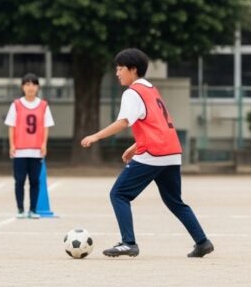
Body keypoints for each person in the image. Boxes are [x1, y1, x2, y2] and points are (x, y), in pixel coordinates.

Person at [80, 48, 214, 259]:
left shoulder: (132, 92)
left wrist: (96, 137)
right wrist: (135, 145)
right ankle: (203, 242)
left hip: (154, 153)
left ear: (133, 70)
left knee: (119, 194)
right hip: (171, 152)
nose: (117, 73)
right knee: (174, 201)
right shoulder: (151, 89)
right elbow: (154, 123)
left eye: (120, 68)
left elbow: (124, 122)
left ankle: (128, 243)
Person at [4, 73, 53, 219]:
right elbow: (11, 126)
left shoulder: (43, 105)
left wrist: (44, 144)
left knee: (35, 181)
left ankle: (33, 210)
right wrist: (12, 145)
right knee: (19, 180)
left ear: (37, 87)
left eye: (33, 84)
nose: (30, 87)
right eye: (27, 84)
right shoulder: (16, 105)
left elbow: (46, 127)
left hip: (36, 150)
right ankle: (20, 209)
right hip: (19, 150)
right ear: (22, 87)